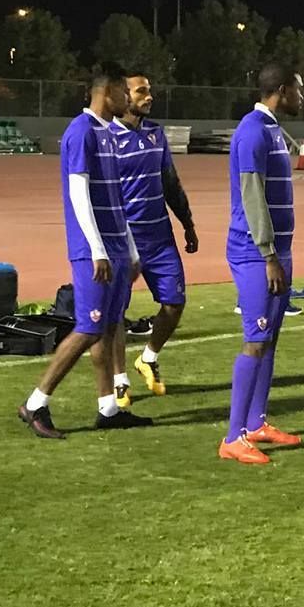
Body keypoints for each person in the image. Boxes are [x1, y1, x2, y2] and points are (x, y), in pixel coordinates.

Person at [17, 63, 151, 439]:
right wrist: (97, 249)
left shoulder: (107, 134)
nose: (128, 99)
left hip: (116, 250)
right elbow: (79, 195)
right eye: (124, 92)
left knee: (109, 327)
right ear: (106, 92)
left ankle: (108, 408)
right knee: (88, 328)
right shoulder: (81, 133)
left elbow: (115, 198)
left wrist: (130, 249)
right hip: (94, 251)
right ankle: (35, 402)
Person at [220, 64, 304, 464]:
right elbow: (253, 198)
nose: (302, 97)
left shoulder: (271, 129)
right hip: (256, 253)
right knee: (254, 341)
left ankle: (256, 423)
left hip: (276, 252)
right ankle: (232, 437)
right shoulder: (253, 130)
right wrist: (269, 254)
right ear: (282, 90)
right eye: (299, 90)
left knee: (268, 339)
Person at [108, 71, 198, 407]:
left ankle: (147, 357)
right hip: (124, 240)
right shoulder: (107, 138)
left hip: (160, 237)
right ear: (123, 95)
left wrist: (187, 223)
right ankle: (119, 379)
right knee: (117, 311)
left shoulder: (156, 134)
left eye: (150, 90)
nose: (149, 96)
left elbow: (171, 183)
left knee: (175, 303)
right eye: (141, 91)